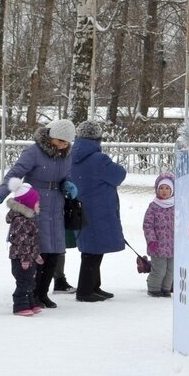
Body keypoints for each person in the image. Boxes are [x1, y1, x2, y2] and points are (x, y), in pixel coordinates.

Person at [0, 118, 78, 309]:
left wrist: (68, 184)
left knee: (54, 252)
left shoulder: (66, 154)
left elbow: (66, 176)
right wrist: (0, 195)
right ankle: (32, 293)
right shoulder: (34, 151)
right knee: (38, 250)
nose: (62, 145)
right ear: (50, 135)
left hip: (56, 204)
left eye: (66, 142)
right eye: (59, 141)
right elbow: (15, 174)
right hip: (34, 202)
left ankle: (43, 293)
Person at [70, 120, 126, 302]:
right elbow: (119, 175)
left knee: (91, 249)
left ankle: (94, 286)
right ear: (97, 138)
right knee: (92, 253)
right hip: (99, 209)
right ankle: (86, 291)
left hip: (80, 208)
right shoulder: (99, 159)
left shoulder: (70, 157)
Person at [4, 178, 44, 317]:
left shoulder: (28, 219)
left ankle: (30, 303)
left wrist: (35, 255)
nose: (39, 205)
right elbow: (22, 242)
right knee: (23, 283)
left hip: (28, 258)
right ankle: (20, 306)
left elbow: (32, 241)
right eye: (37, 203)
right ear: (28, 204)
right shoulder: (21, 221)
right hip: (21, 259)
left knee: (30, 282)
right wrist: (26, 258)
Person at [142, 171, 175, 298]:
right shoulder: (154, 206)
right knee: (159, 269)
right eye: (161, 188)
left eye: (167, 188)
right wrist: (151, 240)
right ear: (157, 189)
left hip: (172, 246)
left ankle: (166, 288)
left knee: (170, 270)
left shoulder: (175, 206)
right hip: (158, 245)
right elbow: (148, 225)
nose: (164, 191)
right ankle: (154, 288)